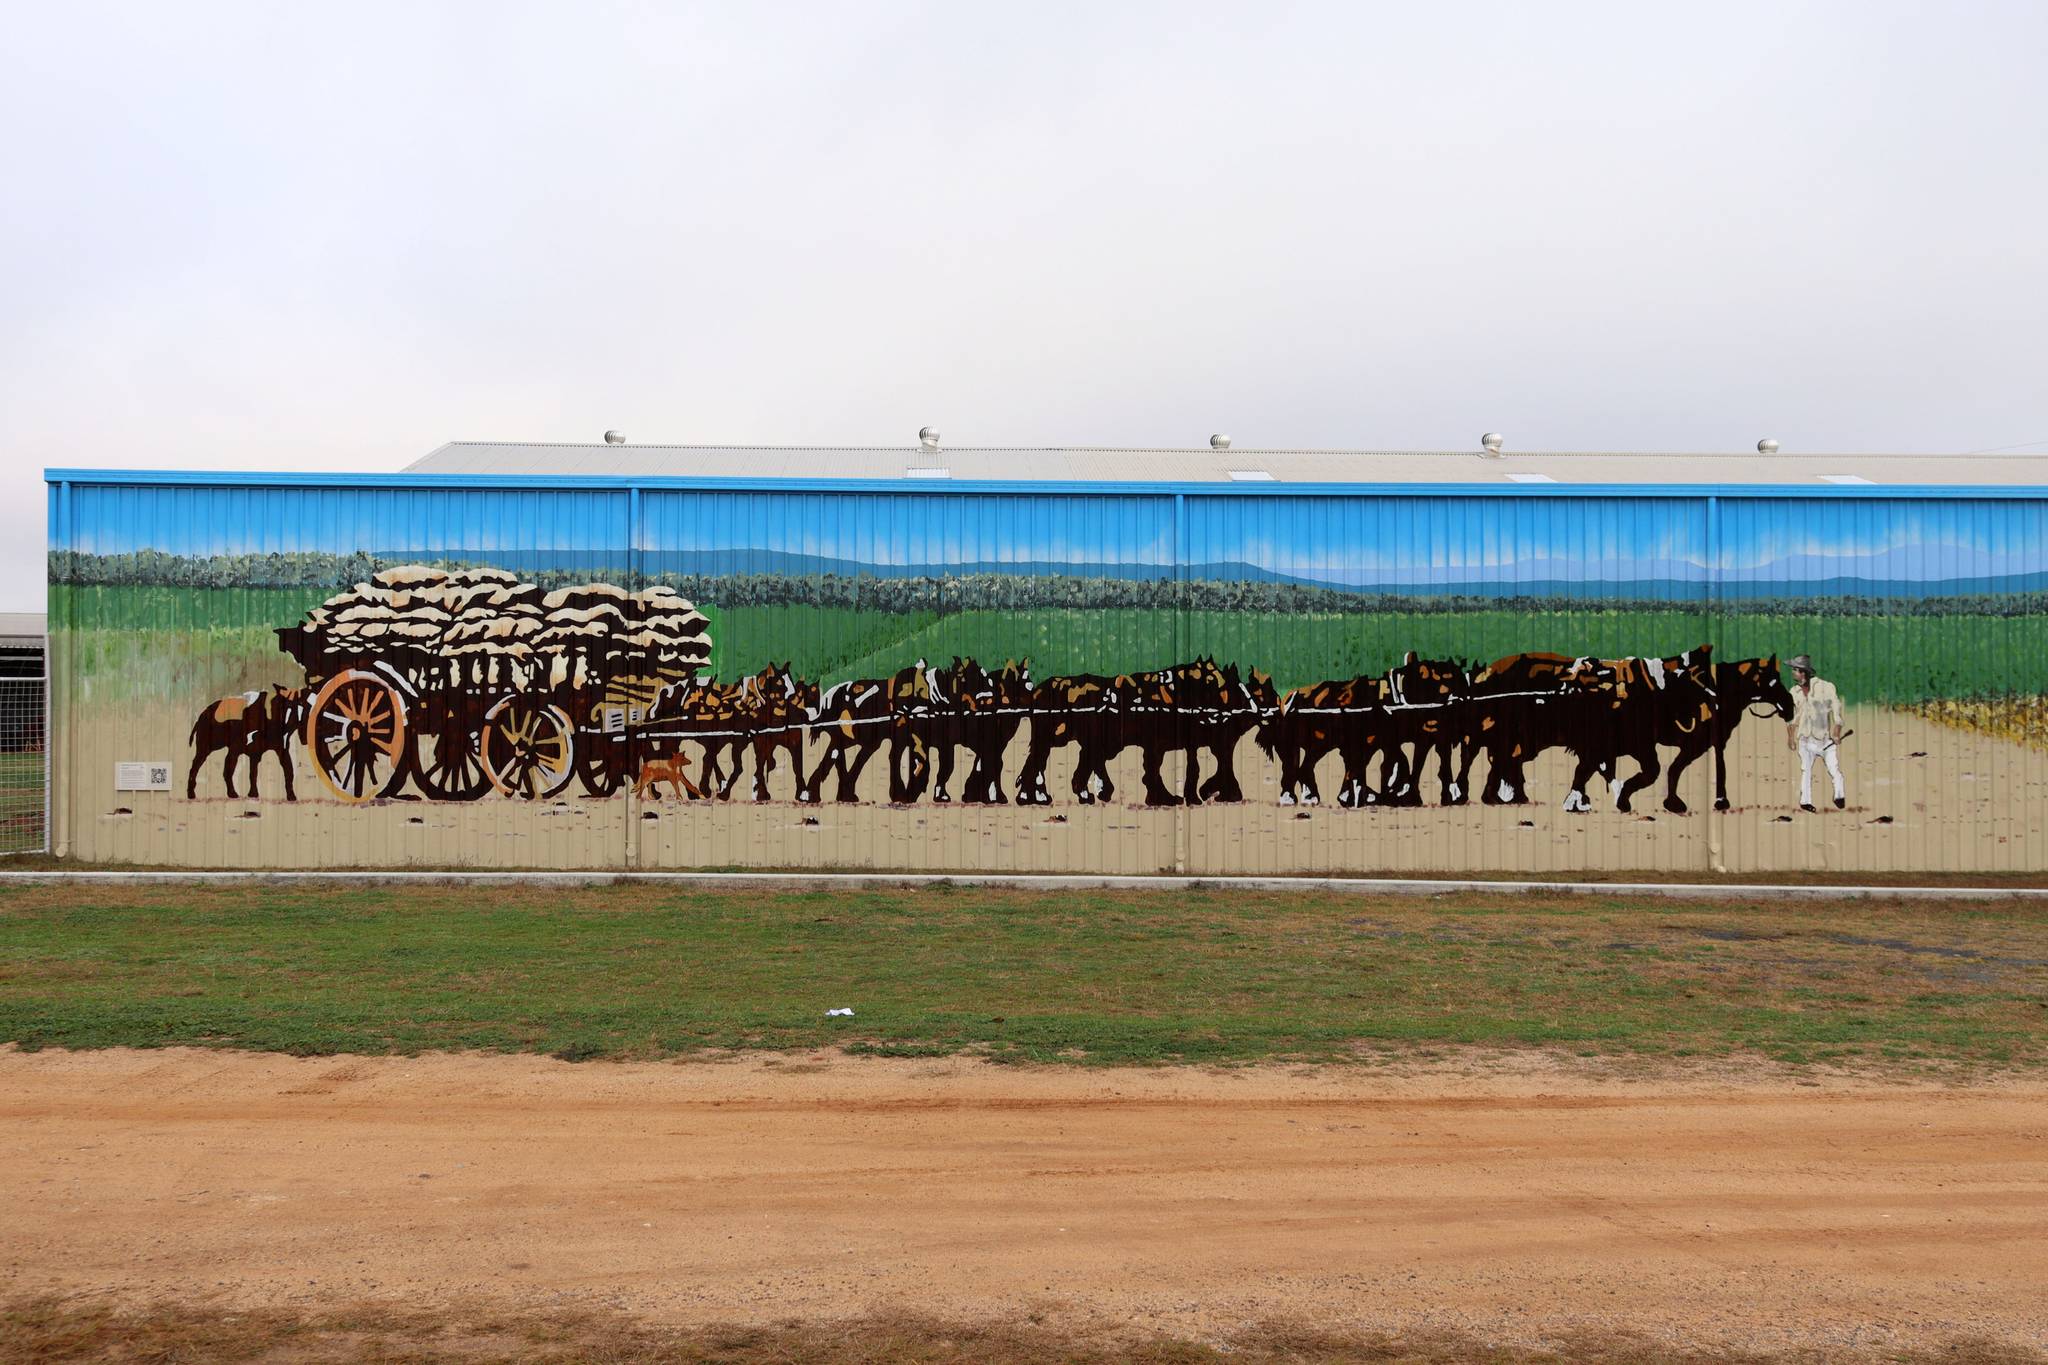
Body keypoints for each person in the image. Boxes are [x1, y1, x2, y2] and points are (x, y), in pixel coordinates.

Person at [1785, 654, 1845, 812]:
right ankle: (1805, 801)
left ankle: (1839, 795)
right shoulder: (1794, 691)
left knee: (1833, 769)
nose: (1792, 673)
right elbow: (1791, 717)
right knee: (1806, 769)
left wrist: (1837, 731)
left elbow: (1836, 709)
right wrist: (1791, 737)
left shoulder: (1826, 687)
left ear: (1803, 672)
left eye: (1795, 670)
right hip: (1805, 738)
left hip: (1824, 739)